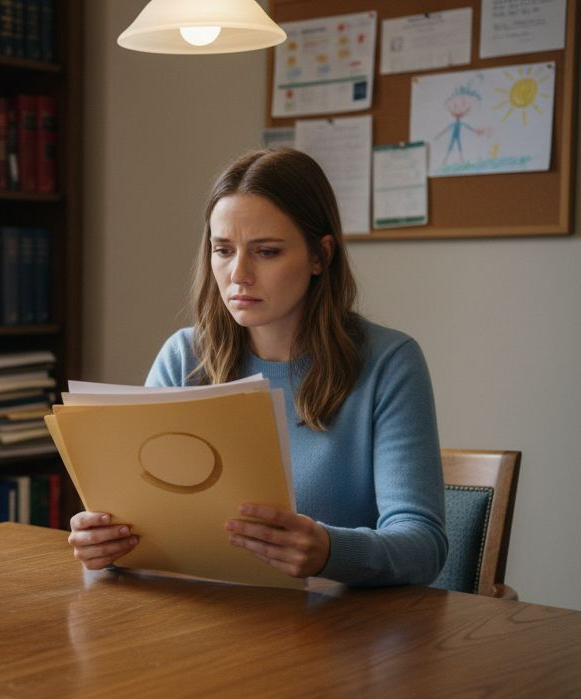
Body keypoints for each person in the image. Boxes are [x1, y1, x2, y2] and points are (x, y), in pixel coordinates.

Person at [68, 147, 447, 587]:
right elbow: (141, 523)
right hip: (201, 621)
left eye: (266, 252)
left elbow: (424, 546)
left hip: (337, 633)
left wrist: (329, 551)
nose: (238, 274)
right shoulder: (184, 356)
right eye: (223, 250)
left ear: (320, 256)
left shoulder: (389, 362)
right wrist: (105, 543)